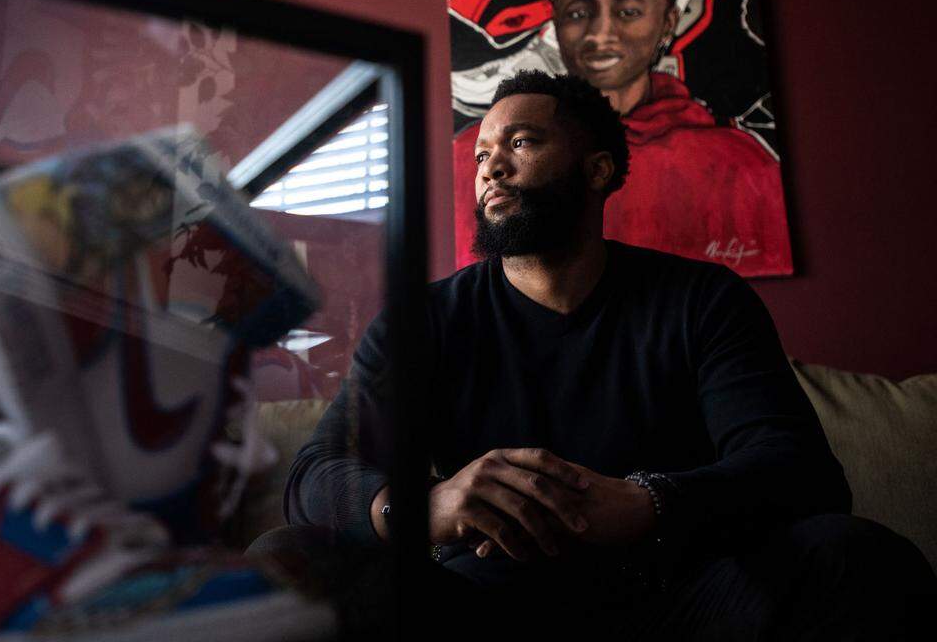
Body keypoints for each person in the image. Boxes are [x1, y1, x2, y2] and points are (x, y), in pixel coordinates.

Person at [276, 71, 935, 638]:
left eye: (521, 142)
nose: (491, 168)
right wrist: (425, 508)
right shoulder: (422, 321)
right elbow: (314, 477)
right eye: (481, 155)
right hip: (486, 607)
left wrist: (650, 502)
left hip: (679, 595)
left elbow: (801, 474)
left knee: (859, 557)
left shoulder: (701, 301)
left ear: (597, 169)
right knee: (289, 563)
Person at [550, 0, 792, 276]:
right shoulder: (494, 155)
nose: (600, 34)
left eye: (628, 12)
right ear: (555, 22)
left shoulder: (736, 162)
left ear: (668, 23)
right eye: (577, 14)